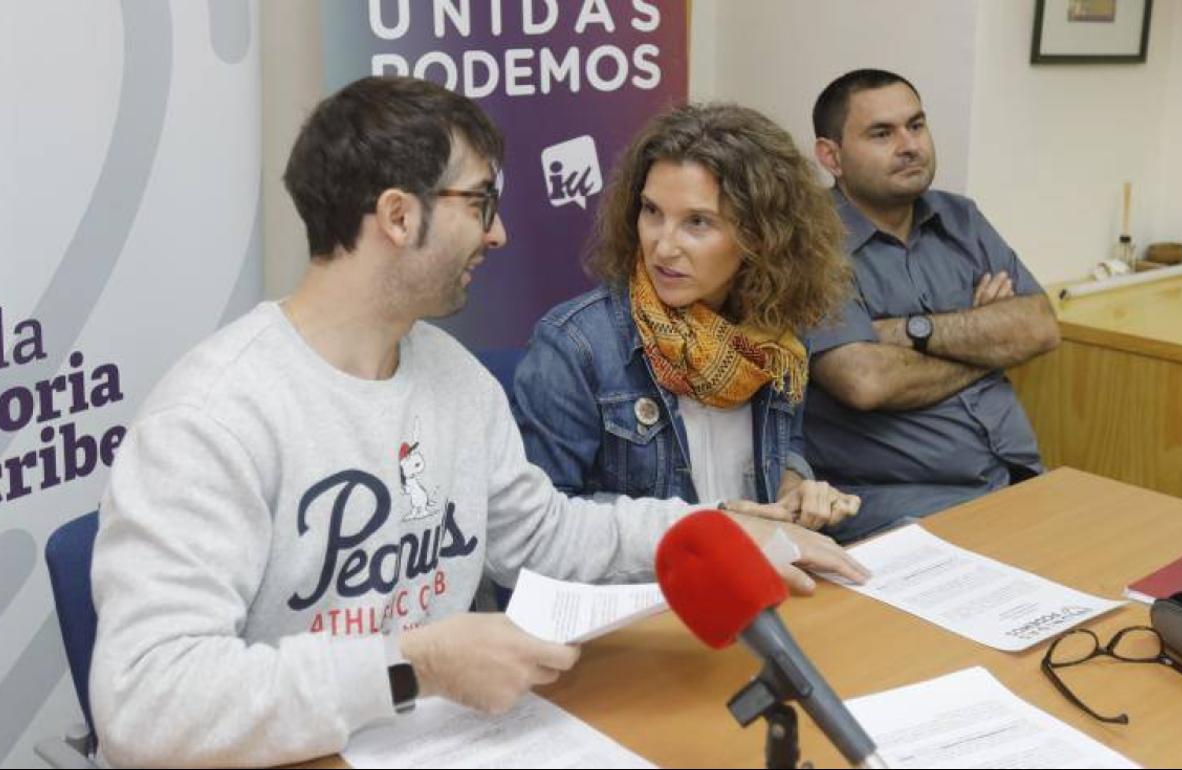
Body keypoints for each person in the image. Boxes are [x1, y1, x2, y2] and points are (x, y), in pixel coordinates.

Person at [87, 77, 868, 768]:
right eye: (480, 204)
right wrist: (411, 665)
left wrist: (725, 533)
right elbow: (144, 704)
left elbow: (547, 533)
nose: (497, 234)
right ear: (398, 215)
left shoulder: (453, 379)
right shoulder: (214, 417)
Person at [512, 103, 861, 534]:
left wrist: (796, 487)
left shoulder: (778, 335)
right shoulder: (576, 346)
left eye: (697, 222)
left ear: (762, 236)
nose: (662, 247)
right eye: (651, 211)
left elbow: (785, 444)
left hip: (754, 571)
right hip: (643, 591)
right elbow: (539, 525)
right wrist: (710, 523)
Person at [803, 68, 1060, 542]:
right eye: (882, 133)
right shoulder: (808, 244)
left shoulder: (961, 218)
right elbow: (866, 380)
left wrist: (908, 332)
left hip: (1014, 475)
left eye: (916, 125)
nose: (909, 145)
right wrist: (986, 342)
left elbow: (1040, 328)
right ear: (831, 156)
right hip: (898, 505)